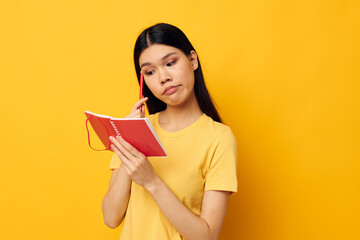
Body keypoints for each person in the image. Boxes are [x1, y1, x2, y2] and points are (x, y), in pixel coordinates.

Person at [102, 23, 238, 240]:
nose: (163, 77)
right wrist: (129, 139)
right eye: (150, 72)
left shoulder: (219, 139)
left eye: (171, 63)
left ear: (192, 60)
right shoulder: (136, 129)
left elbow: (207, 236)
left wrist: (151, 181)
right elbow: (111, 217)